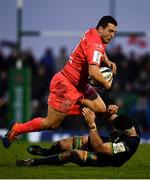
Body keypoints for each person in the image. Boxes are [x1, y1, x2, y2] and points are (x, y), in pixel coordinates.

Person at [3, 15, 117, 148]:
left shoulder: (92, 32)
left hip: (80, 86)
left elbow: (99, 49)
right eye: (110, 31)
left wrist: (107, 60)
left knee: (101, 108)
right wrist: (107, 84)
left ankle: (73, 109)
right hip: (66, 85)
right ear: (101, 29)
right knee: (51, 124)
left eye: (114, 32)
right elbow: (93, 72)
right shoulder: (95, 44)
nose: (113, 35)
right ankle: (17, 129)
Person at [16, 106, 140, 167]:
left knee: (72, 154)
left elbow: (99, 148)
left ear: (123, 132)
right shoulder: (127, 123)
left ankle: (35, 162)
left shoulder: (127, 145)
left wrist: (92, 124)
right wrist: (109, 111)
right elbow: (110, 118)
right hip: (107, 142)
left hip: (108, 157)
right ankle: (45, 152)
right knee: (62, 144)